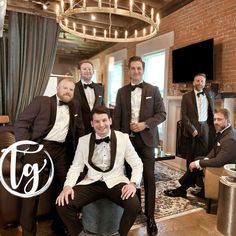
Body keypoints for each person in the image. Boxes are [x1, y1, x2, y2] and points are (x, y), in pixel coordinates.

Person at [56, 106, 143, 236]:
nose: (101, 125)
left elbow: (137, 163)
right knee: (62, 204)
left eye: (104, 120)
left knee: (134, 205)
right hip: (91, 182)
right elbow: (76, 167)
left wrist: (132, 183)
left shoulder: (123, 138)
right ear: (92, 123)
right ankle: (80, 233)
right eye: (97, 121)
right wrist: (67, 186)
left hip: (116, 181)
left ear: (110, 121)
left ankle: (121, 234)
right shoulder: (83, 141)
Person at [14, 78, 85, 236]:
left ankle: (59, 225)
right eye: (65, 88)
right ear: (57, 88)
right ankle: (28, 232)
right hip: (39, 147)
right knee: (31, 189)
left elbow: (79, 130)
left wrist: (83, 153)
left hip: (62, 150)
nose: (68, 91)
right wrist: (27, 149)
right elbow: (21, 123)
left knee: (66, 185)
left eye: (71, 89)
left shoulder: (76, 105)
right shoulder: (42, 101)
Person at [113, 56, 166, 235]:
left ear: (143, 70)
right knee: (130, 177)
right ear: (129, 70)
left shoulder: (154, 89)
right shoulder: (121, 92)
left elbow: (162, 114)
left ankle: (150, 216)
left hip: (148, 141)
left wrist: (145, 124)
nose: (136, 71)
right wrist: (120, 138)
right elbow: (117, 117)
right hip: (128, 141)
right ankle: (135, 208)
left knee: (149, 177)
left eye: (139, 68)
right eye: (133, 68)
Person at [164, 108, 236, 198]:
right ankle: (198, 190)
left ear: (227, 120)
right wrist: (205, 159)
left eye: (219, 119)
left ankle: (182, 190)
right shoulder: (224, 131)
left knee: (197, 163)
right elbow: (214, 149)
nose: (216, 122)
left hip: (223, 170)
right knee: (198, 160)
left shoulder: (230, 138)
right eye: (214, 119)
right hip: (220, 163)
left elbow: (219, 161)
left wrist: (199, 163)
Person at [181, 73, 215, 167]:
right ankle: (189, 178)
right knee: (191, 155)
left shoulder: (210, 94)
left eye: (202, 81)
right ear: (193, 82)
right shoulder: (186, 96)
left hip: (205, 128)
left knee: (203, 154)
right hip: (192, 128)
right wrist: (192, 129)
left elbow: (212, 112)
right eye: (197, 81)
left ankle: (199, 178)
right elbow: (184, 115)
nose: (199, 83)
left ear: (204, 83)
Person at [74, 60, 104, 134]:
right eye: (84, 69)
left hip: (97, 127)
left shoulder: (100, 88)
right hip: (80, 128)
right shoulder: (73, 87)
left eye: (90, 69)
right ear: (80, 72)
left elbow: (102, 106)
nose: (87, 71)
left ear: (93, 71)